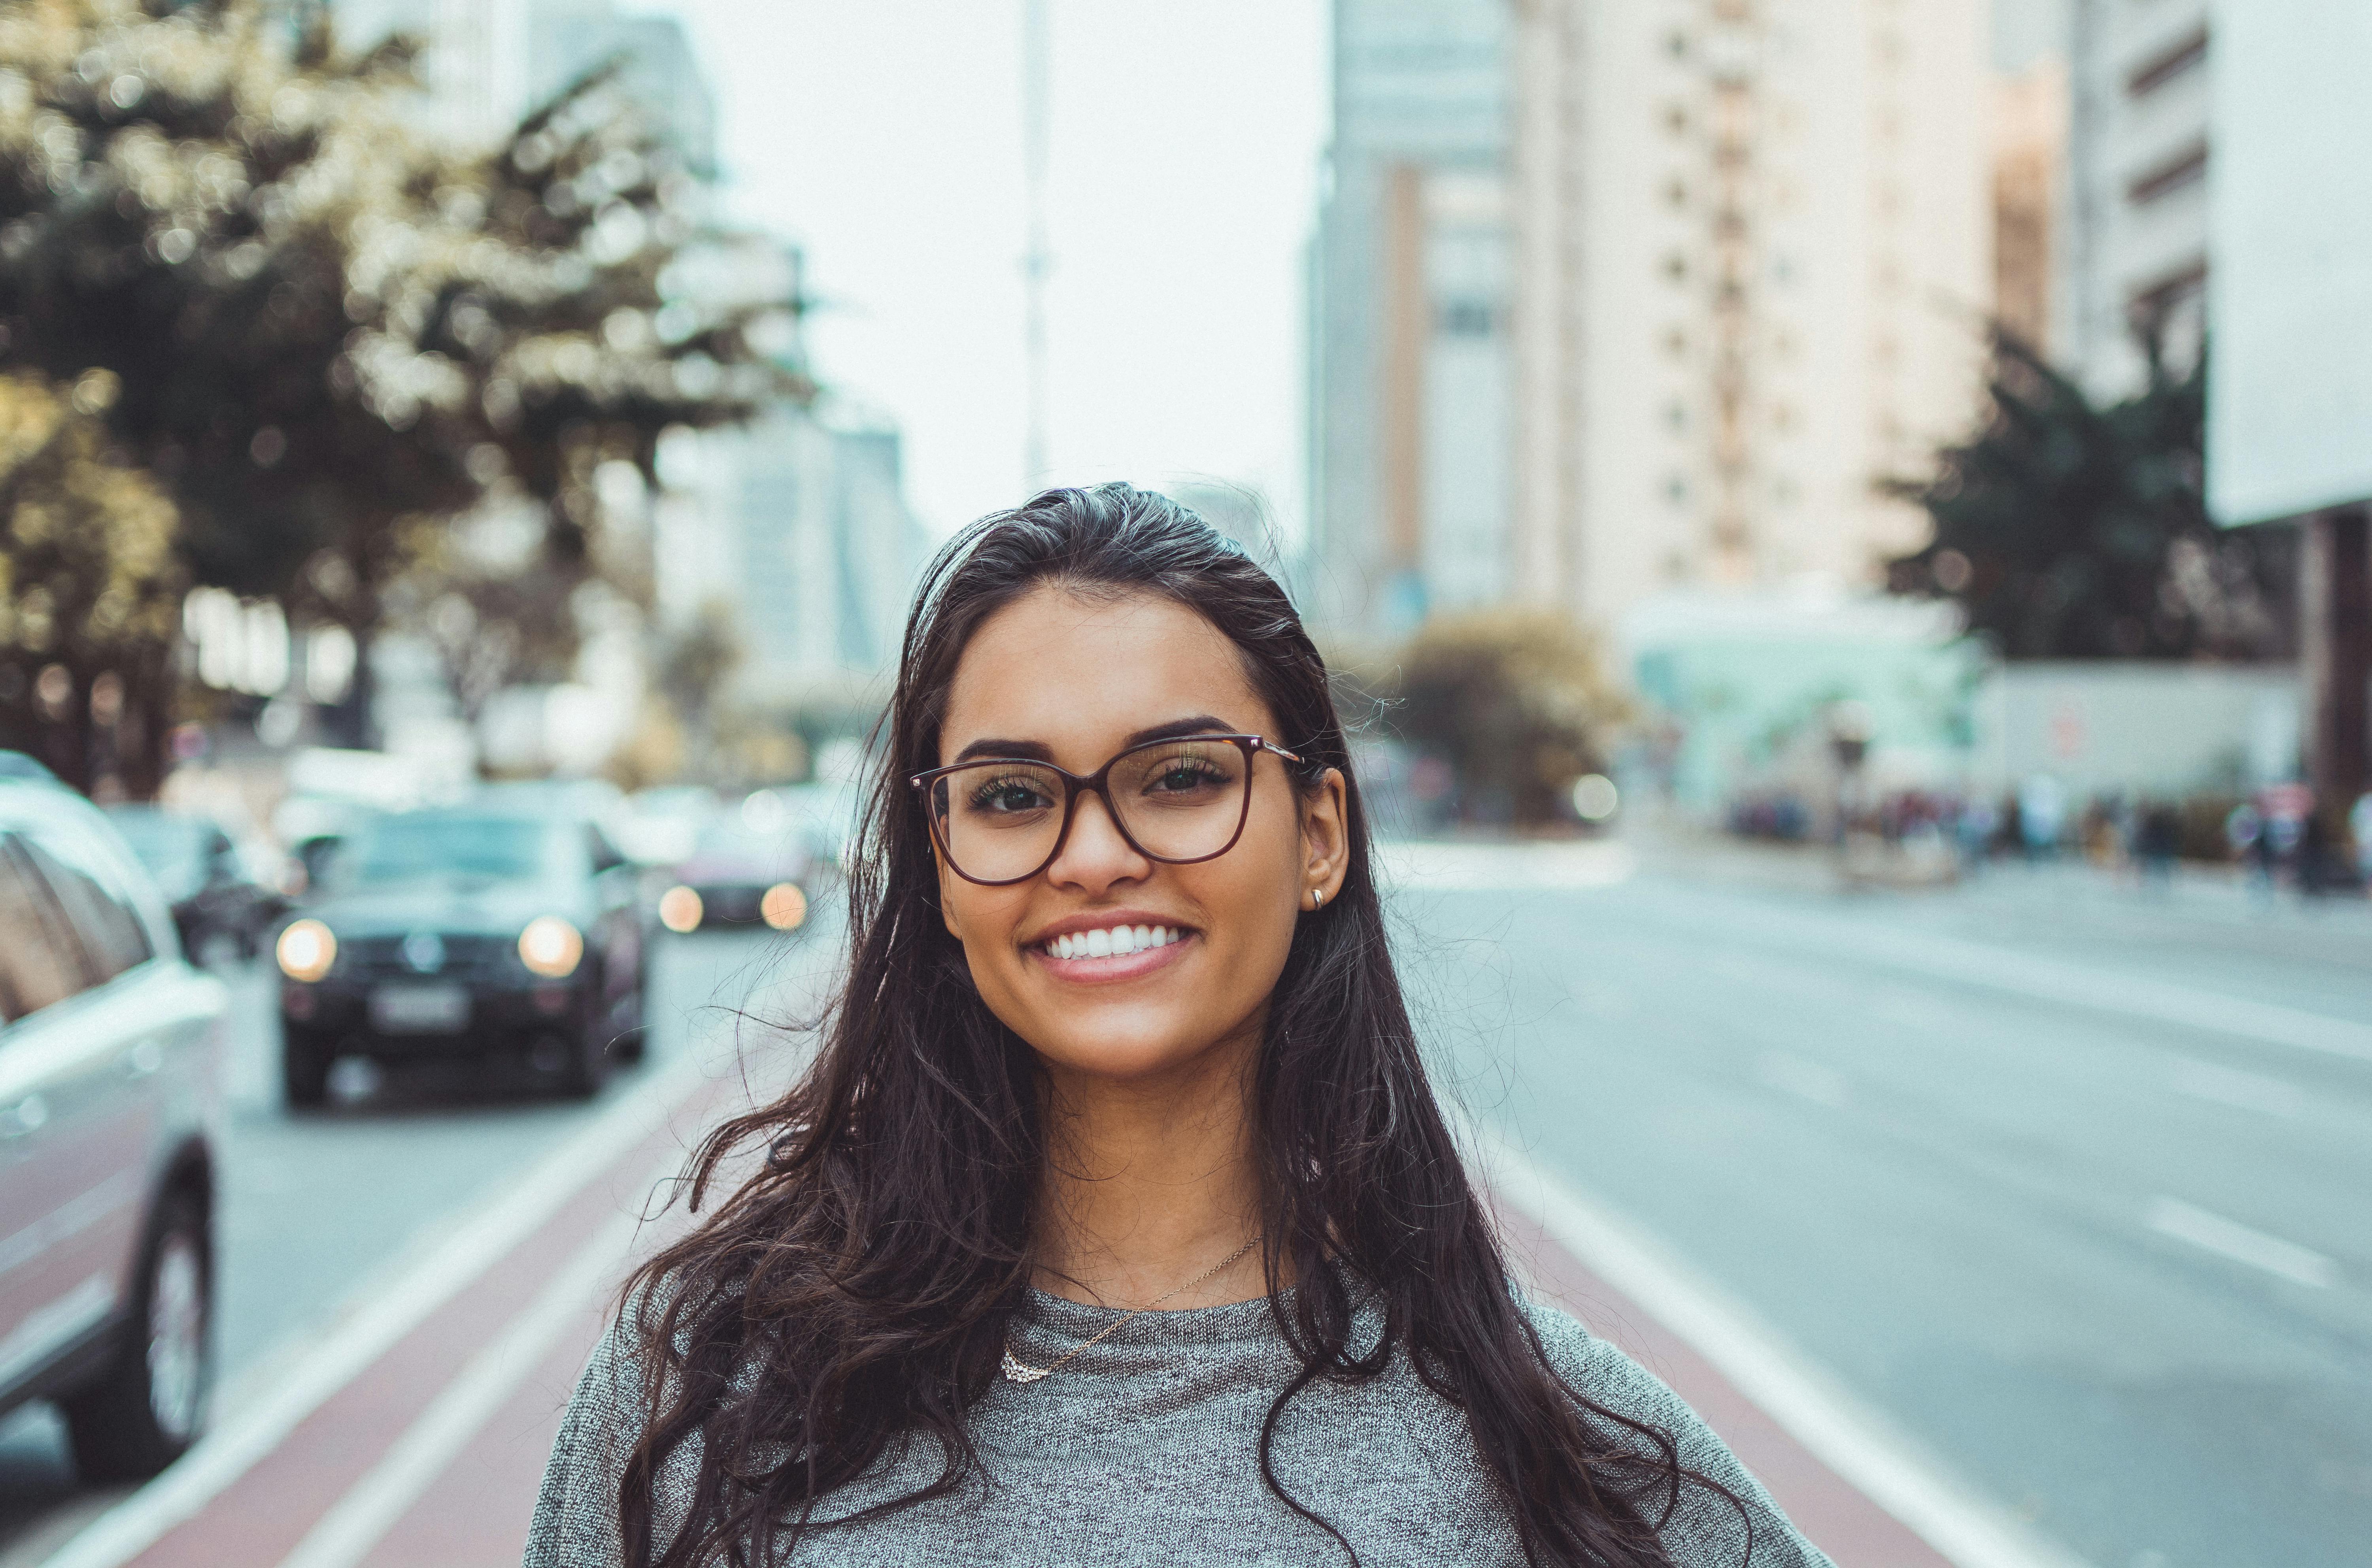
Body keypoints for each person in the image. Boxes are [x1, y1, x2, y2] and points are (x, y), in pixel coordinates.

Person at [526, 486, 1832, 1568]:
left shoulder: (1555, 1456)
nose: (1093, 855)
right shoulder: (704, 1398)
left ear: (1317, 836)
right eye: (1014, 794)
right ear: (937, 864)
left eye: (1184, 778)